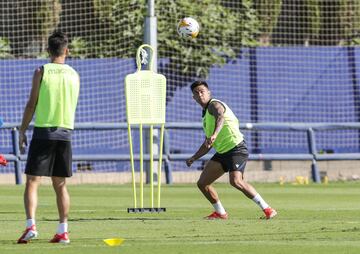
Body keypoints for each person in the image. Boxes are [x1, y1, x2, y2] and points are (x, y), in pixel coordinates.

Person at [17, 31, 80, 244]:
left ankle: (30, 226)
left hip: (44, 132)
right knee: (60, 184)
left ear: (48, 50)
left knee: (33, 182)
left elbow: (31, 104)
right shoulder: (74, 74)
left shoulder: (41, 71)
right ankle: (63, 231)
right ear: (67, 50)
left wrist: (22, 130)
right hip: (65, 134)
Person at [186, 81, 277, 220]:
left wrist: (215, 134)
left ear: (209, 93)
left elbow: (220, 116)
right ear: (194, 98)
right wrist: (194, 158)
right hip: (222, 153)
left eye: (202, 91)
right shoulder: (205, 115)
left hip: (236, 148)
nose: (200, 94)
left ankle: (268, 209)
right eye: (196, 93)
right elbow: (207, 144)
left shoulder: (214, 105)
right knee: (202, 183)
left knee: (236, 181)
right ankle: (221, 213)